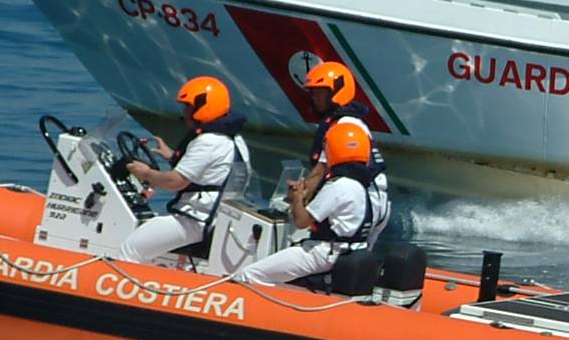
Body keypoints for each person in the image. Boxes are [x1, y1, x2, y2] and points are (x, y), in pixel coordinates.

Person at [237, 117, 391, 289]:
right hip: (351, 250)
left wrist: (297, 197)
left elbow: (302, 222)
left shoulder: (337, 186)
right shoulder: (363, 187)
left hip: (324, 253)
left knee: (248, 274)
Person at [121, 76, 251, 265]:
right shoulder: (234, 139)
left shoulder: (208, 141)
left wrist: (145, 173)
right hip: (218, 216)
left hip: (195, 220)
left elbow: (174, 182)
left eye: (188, 107)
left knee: (130, 247)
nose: (184, 112)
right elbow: (210, 170)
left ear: (202, 107)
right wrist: (172, 157)